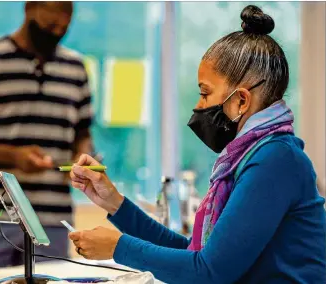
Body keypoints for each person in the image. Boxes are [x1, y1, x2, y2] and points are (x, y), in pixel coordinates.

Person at [68, 5, 326, 284]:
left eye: (205, 93)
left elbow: (208, 271)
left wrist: (119, 247)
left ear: (241, 100)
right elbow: (193, 252)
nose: (198, 106)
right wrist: (115, 203)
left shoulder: (275, 159)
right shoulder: (255, 156)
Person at [0, 1, 93, 276]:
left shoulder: (76, 69)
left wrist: (82, 158)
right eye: (50, 25)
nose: (56, 32)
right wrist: (13, 157)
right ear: (29, 9)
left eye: (64, 28)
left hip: (51, 218)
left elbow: (82, 133)